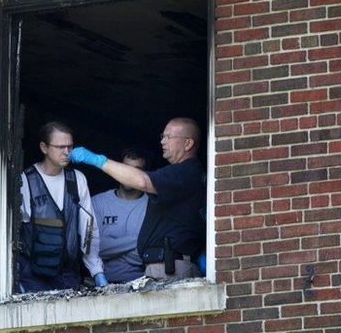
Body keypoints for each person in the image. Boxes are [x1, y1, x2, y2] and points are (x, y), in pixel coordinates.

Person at [69, 117, 205, 280]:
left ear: (188, 144)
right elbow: (93, 246)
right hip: (162, 267)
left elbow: (142, 181)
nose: (162, 141)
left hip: (171, 268)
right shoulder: (181, 173)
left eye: (168, 137)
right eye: (162, 136)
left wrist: (97, 160)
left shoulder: (186, 171)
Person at [18, 121, 107, 292]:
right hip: (33, 277)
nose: (67, 152)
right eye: (60, 147)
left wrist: (96, 271)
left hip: (69, 276)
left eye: (70, 146)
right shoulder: (26, 180)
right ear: (44, 147)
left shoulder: (77, 179)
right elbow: (16, 231)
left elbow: (89, 228)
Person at [91, 148, 150, 283]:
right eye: (126, 168)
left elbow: (150, 252)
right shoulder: (98, 202)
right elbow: (94, 249)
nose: (129, 174)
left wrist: (112, 247)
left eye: (136, 170)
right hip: (102, 286)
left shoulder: (152, 205)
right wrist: (138, 241)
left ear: (144, 174)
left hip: (142, 284)